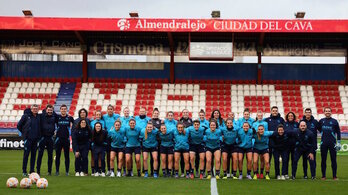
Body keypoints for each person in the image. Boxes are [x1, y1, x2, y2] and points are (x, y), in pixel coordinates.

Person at [17, 104, 41, 176]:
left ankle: (32, 170)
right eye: (34, 109)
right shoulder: (26, 116)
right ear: (31, 109)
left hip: (35, 140)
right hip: (28, 139)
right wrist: (24, 133)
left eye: (36, 109)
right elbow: (19, 125)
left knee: (33, 156)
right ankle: (24, 171)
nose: (35, 110)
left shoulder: (38, 117)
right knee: (26, 155)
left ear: (38, 110)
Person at [318, 107, 341, 180]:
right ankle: (323, 176)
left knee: (333, 160)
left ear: (331, 112)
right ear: (324, 112)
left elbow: (338, 132)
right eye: (326, 111)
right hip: (323, 143)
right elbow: (318, 128)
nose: (327, 112)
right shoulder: (321, 121)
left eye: (329, 111)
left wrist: (339, 142)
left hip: (333, 144)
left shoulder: (334, 121)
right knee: (323, 160)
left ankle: (334, 176)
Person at [55, 104, 74, 176]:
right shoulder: (57, 117)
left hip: (66, 139)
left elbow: (74, 125)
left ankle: (67, 171)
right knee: (58, 155)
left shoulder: (70, 118)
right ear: (60, 110)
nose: (63, 110)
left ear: (66, 110)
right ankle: (57, 171)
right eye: (62, 109)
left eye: (64, 109)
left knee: (67, 156)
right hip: (58, 139)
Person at [37, 104, 55, 175]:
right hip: (42, 138)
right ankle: (38, 170)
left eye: (51, 110)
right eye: (48, 110)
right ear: (46, 110)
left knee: (50, 155)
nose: (50, 111)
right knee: (40, 155)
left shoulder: (54, 117)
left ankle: (49, 171)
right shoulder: (41, 116)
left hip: (50, 138)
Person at [302, 108, 319, 179]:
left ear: (311, 113)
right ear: (304, 113)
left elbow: (321, 130)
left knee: (312, 161)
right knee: (304, 161)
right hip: (303, 145)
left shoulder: (315, 122)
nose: (308, 114)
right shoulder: (302, 121)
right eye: (306, 112)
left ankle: (313, 175)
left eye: (309, 112)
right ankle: (305, 175)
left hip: (312, 145)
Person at [103, 105, 120, 176]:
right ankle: (109, 170)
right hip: (108, 137)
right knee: (108, 155)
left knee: (117, 154)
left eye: (111, 109)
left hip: (115, 136)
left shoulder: (117, 116)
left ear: (113, 110)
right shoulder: (104, 117)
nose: (110, 110)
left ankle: (118, 171)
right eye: (109, 109)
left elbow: (119, 123)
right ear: (107, 110)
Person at [251, 111, 268, 179]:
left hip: (264, 144)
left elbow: (266, 133)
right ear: (257, 116)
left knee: (262, 160)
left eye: (261, 115)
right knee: (255, 160)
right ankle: (256, 173)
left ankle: (261, 173)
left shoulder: (265, 123)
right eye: (259, 115)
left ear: (262, 116)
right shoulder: (254, 123)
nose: (260, 117)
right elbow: (253, 134)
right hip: (256, 144)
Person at [284, 111, 299, 179]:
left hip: (295, 145)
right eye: (289, 116)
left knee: (294, 160)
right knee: (286, 160)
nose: (290, 117)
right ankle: (286, 174)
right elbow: (284, 132)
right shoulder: (284, 123)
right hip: (286, 145)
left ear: (294, 117)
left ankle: (293, 174)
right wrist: (292, 132)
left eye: (291, 116)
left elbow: (298, 132)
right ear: (287, 117)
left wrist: (289, 132)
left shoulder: (297, 124)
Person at [178, 109, 193, 177]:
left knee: (188, 158)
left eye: (187, 112)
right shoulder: (179, 121)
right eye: (184, 112)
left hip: (189, 142)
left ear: (188, 113)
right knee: (181, 158)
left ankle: (189, 171)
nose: (185, 113)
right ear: (182, 113)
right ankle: (182, 172)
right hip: (181, 142)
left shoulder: (191, 121)